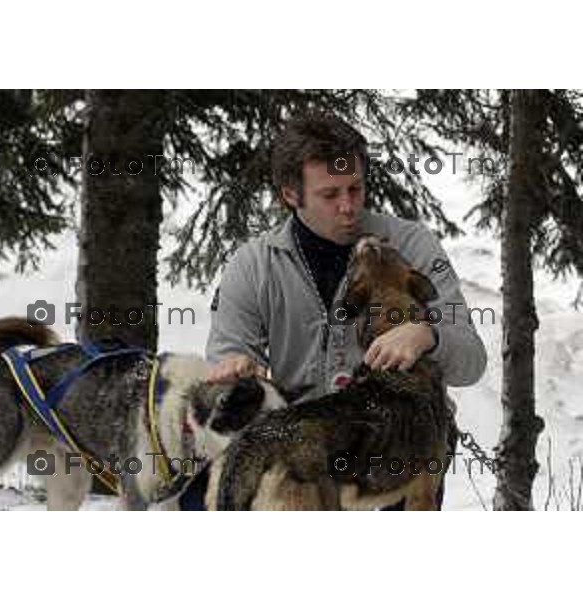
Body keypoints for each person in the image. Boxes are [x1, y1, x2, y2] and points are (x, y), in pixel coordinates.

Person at [196, 113, 487, 510]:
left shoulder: (409, 246)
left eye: (356, 188)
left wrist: (428, 334)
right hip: (301, 458)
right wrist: (232, 370)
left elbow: (471, 361)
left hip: (400, 450)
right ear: (290, 195)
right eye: (330, 195)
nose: (348, 207)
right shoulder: (252, 266)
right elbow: (223, 367)